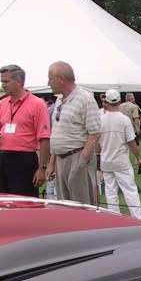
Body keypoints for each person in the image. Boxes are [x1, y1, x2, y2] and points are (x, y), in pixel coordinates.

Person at [46, 61, 100, 205]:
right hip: (60, 160)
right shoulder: (59, 101)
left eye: (50, 78)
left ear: (61, 79)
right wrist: (52, 164)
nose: (48, 83)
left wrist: (81, 162)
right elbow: (57, 133)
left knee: (82, 206)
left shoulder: (85, 99)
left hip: (77, 157)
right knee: (64, 207)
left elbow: (95, 133)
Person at [0, 63, 50, 197]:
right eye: (2, 81)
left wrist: (42, 168)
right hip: (2, 158)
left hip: (23, 161)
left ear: (18, 81)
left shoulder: (37, 104)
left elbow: (44, 137)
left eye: (6, 81)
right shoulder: (2, 104)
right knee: (1, 201)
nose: (3, 85)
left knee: (24, 203)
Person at [98, 88, 141, 219]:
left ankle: (114, 218)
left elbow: (97, 144)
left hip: (106, 161)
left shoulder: (100, 119)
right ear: (119, 101)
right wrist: (138, 158)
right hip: (121, 162)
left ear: (106, 102)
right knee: (130, 191)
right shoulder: (124, 120)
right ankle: (138, 218)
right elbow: (131, 142)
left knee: (110, 192)